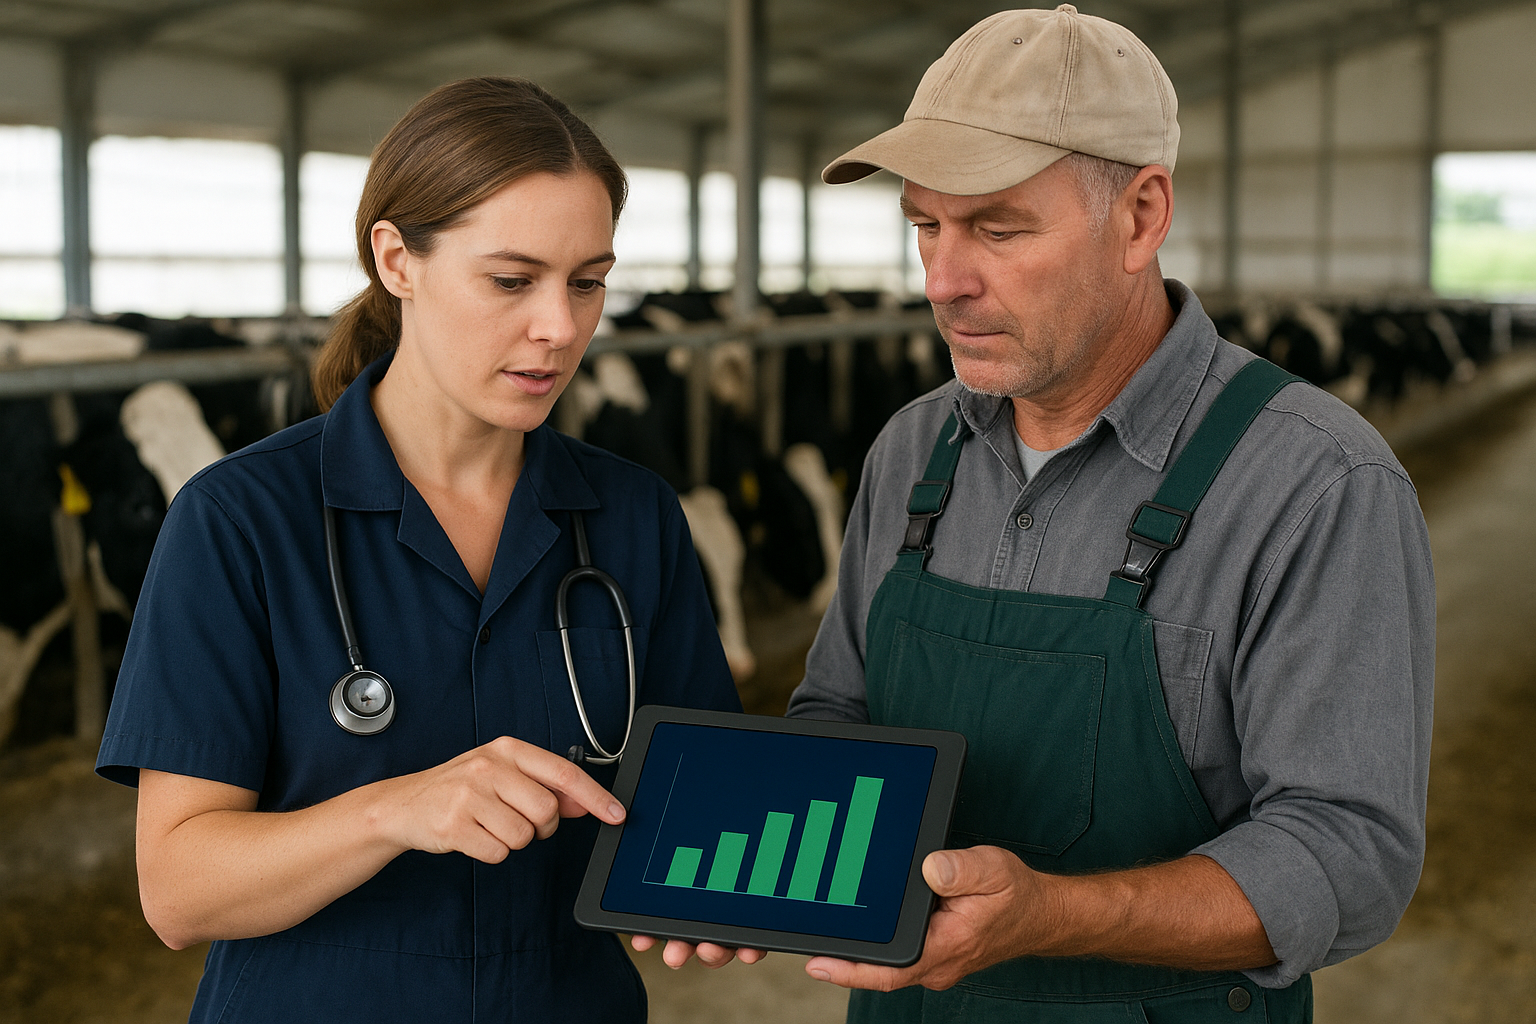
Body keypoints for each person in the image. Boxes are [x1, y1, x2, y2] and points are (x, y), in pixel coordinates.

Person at [772, 7, 1433, 1023]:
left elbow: (1346, 854)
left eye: (998, 227)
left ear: (1140, 216)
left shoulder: (1316, 484)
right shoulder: (914, 448)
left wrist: (1051, 913)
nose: (943, 280)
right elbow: (838, 714)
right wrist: (740, 855)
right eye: (925, 225)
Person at [95, 77, 741, 1023]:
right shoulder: (239, 522)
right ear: (397, 259)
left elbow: (700, 804)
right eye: (511, 281)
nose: (560, 328)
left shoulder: (633, 516)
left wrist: (724, 883)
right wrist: (393, 810)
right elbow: (180, 891)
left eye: (589, 281)